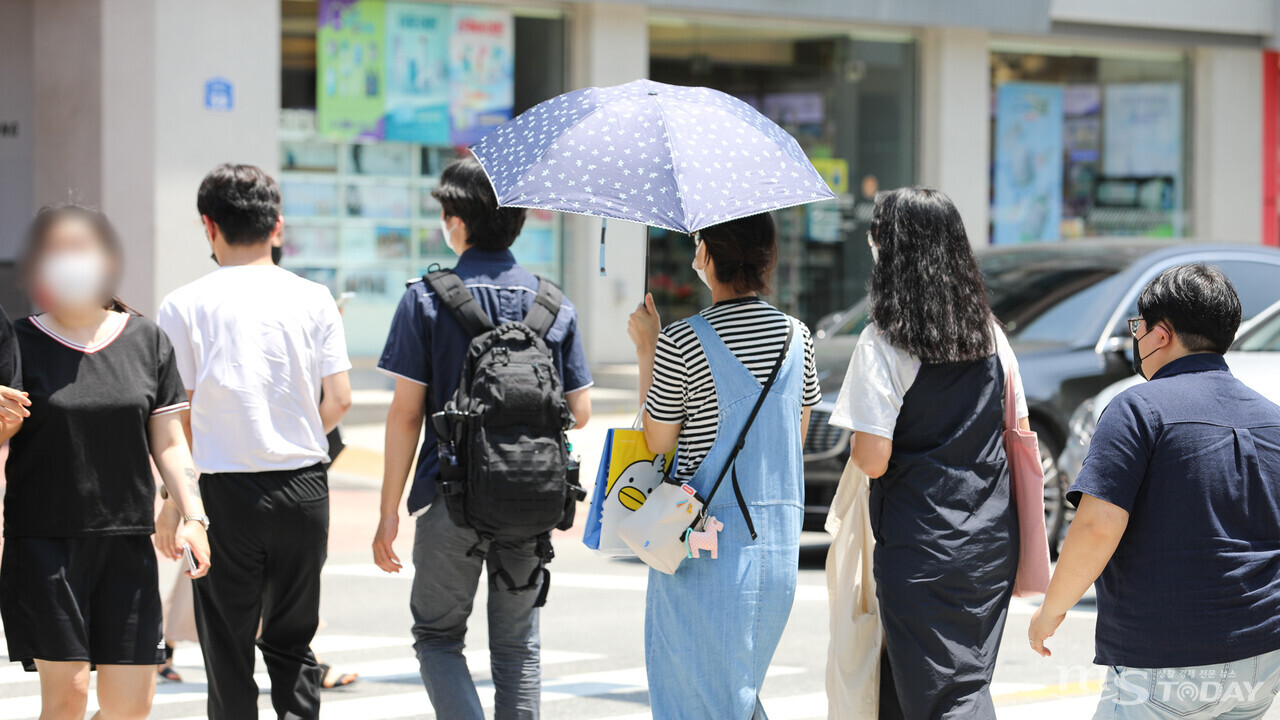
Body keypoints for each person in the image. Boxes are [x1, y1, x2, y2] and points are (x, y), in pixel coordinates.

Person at [372, 156, 592, 719]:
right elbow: (581, 412)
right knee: (519, 647)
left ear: (458, 222)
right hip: (530, 500)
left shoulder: (424, 299)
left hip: (450, 499)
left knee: (439, 637)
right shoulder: (553, 304)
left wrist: (389, 511)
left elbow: (405, 415)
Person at [1030, 265, 1280, 719]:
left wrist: (1050, 612)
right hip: (1262, 655)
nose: (1135, 339)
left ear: (1161, 334)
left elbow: (1095, 529)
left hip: (1166, 656)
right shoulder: (1272, 417)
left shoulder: (1136, 408)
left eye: (1137, 327)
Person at [0, 204, 211, 720]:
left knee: (130, 708)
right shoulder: (17, 341)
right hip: (44, 544)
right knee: (68, 696)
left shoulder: (146, 340)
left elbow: (169, 440)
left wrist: (194, 516)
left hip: (126, 546)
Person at [157, 164, 352, 720]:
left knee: (227, 648)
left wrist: (176, 501)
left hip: (222, 494)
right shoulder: (314, 297)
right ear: (277, 227)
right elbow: (338, 400)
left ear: (208, 225)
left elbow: (181, 415)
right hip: (303, 488)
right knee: (292, 643)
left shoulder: (183, 304)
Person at [828, 187, 1025, 719]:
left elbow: (871, 458)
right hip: (988, 542)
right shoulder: (991, 336)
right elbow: (1015, 428)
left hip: (921, 544)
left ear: (893, 251)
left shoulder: (885, 340)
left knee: (943, 696)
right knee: (952, 679)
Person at [626, 211, 822, 719]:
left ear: (709, 256)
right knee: (734, 696)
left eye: (697, 244)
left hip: (702, 554)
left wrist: (648, 348)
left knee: (695, 701)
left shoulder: (684, 340)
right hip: (776, 554)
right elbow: (790, 442)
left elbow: (656, 440)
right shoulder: (798, 338)